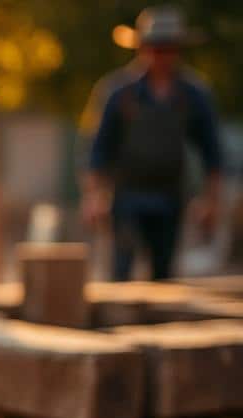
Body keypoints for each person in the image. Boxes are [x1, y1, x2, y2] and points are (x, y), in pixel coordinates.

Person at [82, 5, 224, 281]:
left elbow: (212, 152)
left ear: (177, 50)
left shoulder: (193, 95)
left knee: (164, 275)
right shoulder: (118, 92)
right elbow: (98, 150)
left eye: (167, 48)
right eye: (154, 48)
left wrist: (211, 200)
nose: (160, 55)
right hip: (126, 196)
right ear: (142, 48)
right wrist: (94, 195)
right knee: (121, 271)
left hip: (170, 196)